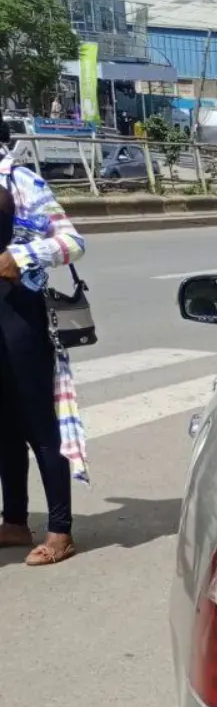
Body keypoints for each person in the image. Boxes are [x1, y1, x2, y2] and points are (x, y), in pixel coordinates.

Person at [0, 121, 87, 566]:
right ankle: (14, 520)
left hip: (17, 314)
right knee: (3, 428)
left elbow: (72, 242)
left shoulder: (19, 180)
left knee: (38, 424)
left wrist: (21, 256)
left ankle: (60, 530)